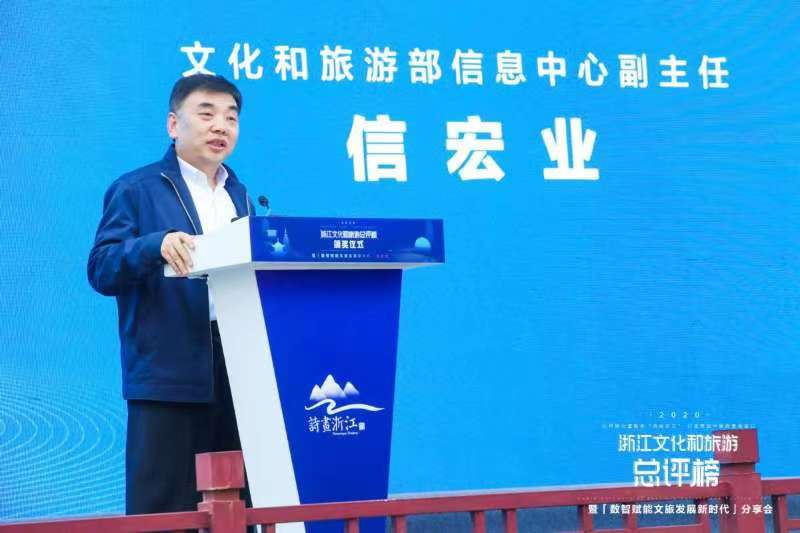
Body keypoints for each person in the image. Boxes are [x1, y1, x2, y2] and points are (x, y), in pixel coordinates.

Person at [87, 74, 253, 515]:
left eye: (231, 117)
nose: (221, 126)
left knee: (234, 504)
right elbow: (101, 267)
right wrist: (153, 246)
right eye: (207, 113)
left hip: (240, 372)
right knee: (165, 508)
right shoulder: (136, 189)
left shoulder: (239, 195)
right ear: (173, 124)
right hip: (168, 373)